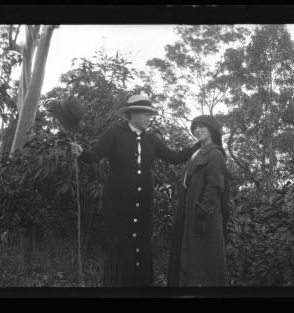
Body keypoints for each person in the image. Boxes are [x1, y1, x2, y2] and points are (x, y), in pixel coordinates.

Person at [71, 94, 200, 287]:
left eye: (150, 114)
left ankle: (141, 285)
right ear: (132, 114)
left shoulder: (152, 139)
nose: (150, 118)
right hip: (117, 202)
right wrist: (81, 152)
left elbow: (174, 157)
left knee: (141, 243)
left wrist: (197, 145)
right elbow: (95, 155)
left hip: (144, 202)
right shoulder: (114, 132)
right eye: (146, 114)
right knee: (120, 244)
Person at [167, 115, 228, 286]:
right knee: (191, 258)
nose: (197, 130)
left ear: (212, 131)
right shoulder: (196, 152)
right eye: (195, 127)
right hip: (190, 213)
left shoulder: (215, 153)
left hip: (204, 217)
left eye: (202, 127)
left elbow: (215, 186)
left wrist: (202, 211)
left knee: (205, 260)